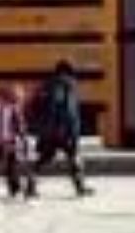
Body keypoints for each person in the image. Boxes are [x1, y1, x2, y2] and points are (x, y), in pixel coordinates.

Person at [26, 60, 91, 197]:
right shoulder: (64, 86)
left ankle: (31, 184)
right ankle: (80, 186)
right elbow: (64, 109)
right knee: (73, 157)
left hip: (49, 130)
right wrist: (67, 129)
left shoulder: (49, 84)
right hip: (62, 130)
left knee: (45, 158)